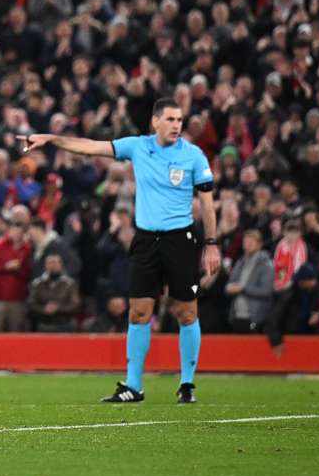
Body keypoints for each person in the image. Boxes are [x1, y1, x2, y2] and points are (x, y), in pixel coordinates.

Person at [19, 97, 221, 404]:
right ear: (155, 122)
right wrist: (52, 139)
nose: (176, 125)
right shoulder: (138, 146)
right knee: (139, 312)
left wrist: (211, 244)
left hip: (180, 239)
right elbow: (91, 146)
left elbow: (206, 202)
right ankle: (134, 386)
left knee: (185, 311)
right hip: (146, 239)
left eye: (179, 120)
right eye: (170, 119)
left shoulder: (194, 156)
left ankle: (187, 383)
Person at [225, 229, 274, 333]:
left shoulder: (266, 264)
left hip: (255, 317)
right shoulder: (240, 262)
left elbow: (266, 291)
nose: (248, 245)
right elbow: (229, 284)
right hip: (237, 315)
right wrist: (229, 288)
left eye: (251, 242)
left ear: (259, 244)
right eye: (246, 242)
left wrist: (243, 289)